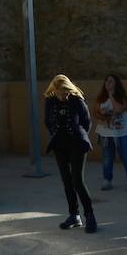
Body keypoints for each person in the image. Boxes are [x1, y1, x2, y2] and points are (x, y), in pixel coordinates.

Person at [45, 75, 96, 232]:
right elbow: (47, 120)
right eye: (60, 93)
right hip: (59, 144)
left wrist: (78, 134)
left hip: (77, 143)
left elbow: (86, 122)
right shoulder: (50, 100)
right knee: (66, 181)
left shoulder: (76, 100)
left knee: (77, 181)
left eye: (65, 92)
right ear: (54, 90)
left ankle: (90, 215)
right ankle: (74, 215)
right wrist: (55, 133)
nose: (62, 96)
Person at [94, 74, 127, 191]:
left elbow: (118, 109)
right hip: (106, 132)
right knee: (107, 157)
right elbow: (95, 112)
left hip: (122, 131)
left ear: (116, 84)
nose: (108, 83)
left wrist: (111, 95)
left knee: (126, 156)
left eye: (111, 81)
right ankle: (107, 180)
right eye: (106, 81)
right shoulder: (101, 97)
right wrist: (103, 117)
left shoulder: (122, 97)